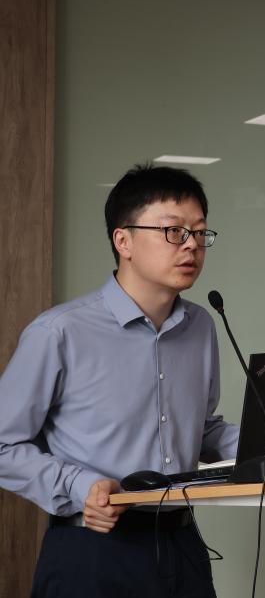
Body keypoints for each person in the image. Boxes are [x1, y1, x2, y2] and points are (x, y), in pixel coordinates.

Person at [0, 163, 239, 597]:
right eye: (174, 231)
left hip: (183, 543)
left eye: (200, 232)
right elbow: (3, 445)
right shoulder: (59, 332)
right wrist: (79, 486)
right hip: (93, 550)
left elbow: (200, 429)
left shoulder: (201, 326)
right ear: (123, 240)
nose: (191, 244)